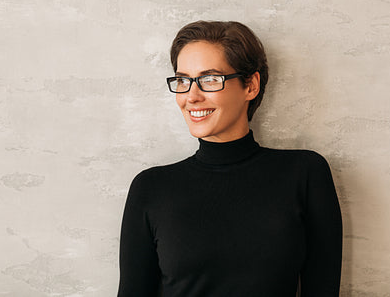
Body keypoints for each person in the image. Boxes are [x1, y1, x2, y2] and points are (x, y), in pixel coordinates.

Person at [118, 21, 343, 296]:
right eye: (183, 80)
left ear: (251, 85)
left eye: (210, 79)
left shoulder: (305, 174)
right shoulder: (151, 188)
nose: (192, 96)